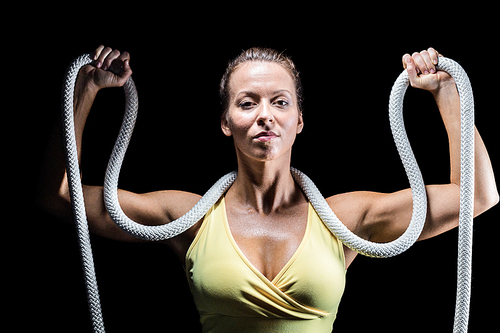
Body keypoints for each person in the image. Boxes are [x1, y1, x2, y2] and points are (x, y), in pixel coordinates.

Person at [38, 45, 498, 332]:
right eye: (247, 102)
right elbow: (61, 197)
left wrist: (446, 95)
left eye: (280, 102)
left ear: (299, 121)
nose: (265, 114)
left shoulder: (342, 220)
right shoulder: (191, 217)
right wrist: (85, 94)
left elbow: (477, 196)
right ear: (225, 122)